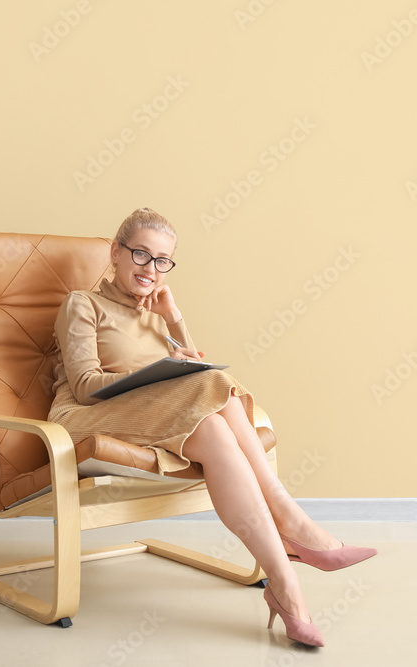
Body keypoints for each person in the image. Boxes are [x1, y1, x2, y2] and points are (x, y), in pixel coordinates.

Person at [47, 207, 376, 647]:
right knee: (212, 382)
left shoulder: (154, 314)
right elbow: (85, 387)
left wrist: (173, 318)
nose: (151, 269)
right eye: (141, 254)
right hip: (87, 419)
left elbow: (192, 374)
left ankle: (287, 591)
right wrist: (163, 371)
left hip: (152, 418)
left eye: (163, 260)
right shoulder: (82, 304)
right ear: (116, 253)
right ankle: (293, 522)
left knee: (216, 427)